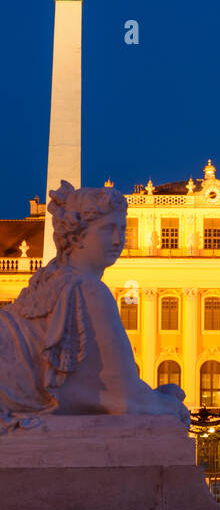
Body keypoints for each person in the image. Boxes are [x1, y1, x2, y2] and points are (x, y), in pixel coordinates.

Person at [0, 182, 189, 431]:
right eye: (107, 229)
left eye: (123, 229)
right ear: (78, 235)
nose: (118, 239)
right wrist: (170, 404)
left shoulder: (53, 283)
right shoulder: (87, 290)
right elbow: (123, 400)